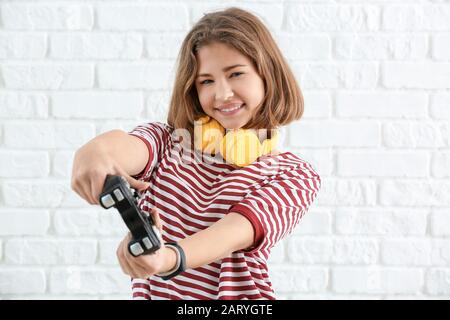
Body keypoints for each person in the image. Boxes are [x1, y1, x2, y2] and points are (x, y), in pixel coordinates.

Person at [71, 7, 321, 300]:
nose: (222, 93)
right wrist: (92, 153)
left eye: (236, 73)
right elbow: (124, 147)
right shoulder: (166, 143)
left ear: (268, 75)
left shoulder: (294, 175)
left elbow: (230, 234)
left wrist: (167, 259)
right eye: (206, 81)